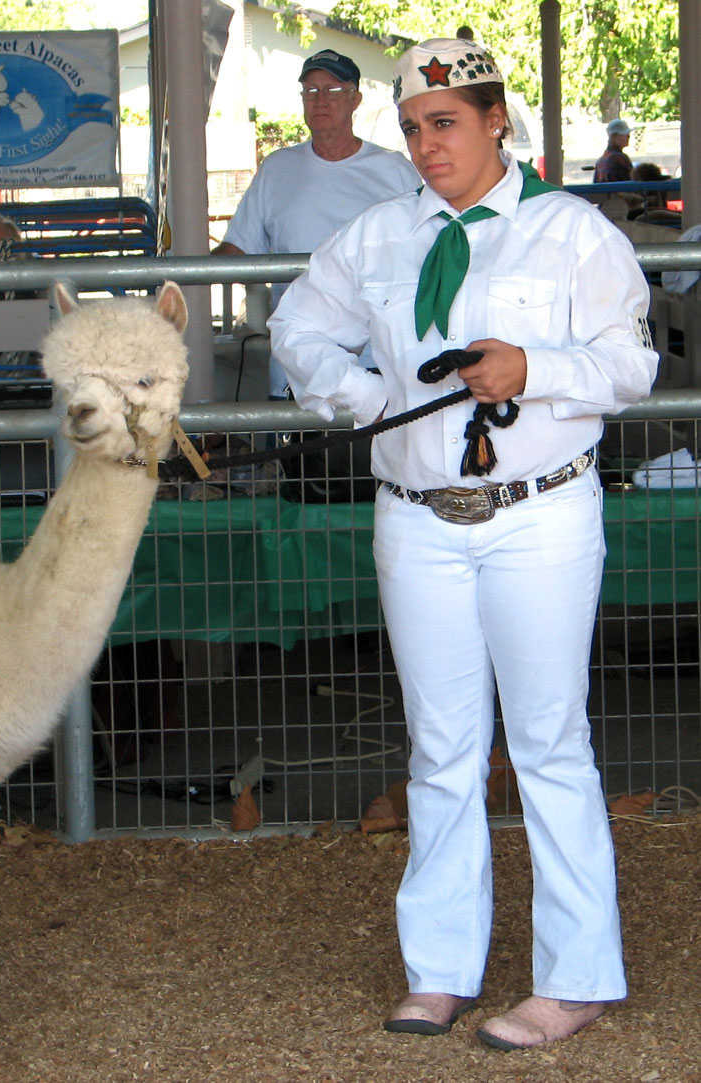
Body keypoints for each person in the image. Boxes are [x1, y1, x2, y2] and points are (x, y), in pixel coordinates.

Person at [269, 36, 657, 1051]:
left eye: (444, 123)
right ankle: (439, 968)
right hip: (417, 519)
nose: (425, 142)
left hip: (540, 514)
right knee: (440, 748)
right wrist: (361, 397)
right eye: (411, 127)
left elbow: (629, 365)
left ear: (496, 122)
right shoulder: (378, 237)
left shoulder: (571, 234)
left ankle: (575, 978)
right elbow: (298, 326)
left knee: (548, 744)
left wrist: (534, 366)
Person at [212, 48, 420, 398]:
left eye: (333, 90)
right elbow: (239, 249)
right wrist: (185, 271)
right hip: (300, 364)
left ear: (355, 99)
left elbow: (431, 246)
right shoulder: (277, 169)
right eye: (311, 90)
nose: (320, 99)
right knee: (305, 453)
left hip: (379, 364)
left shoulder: (395, 169)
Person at [593, 118, 634, 183]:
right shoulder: (619, 158)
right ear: (613, 137)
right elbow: (633, 185)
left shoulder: (601, 161)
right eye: (624, 134)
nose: (628, 136)